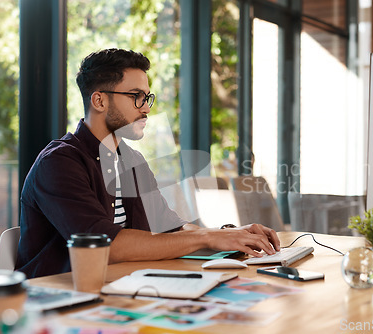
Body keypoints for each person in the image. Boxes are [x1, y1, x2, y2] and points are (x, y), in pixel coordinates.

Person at [15, 48, 280, 278]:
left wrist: (229, 236)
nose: (146, 108)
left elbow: (170, 227)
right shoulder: (59, 163)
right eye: (136, 96)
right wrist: (207, 237)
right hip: (59, 297)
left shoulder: (132, 159)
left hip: (122, 287)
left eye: (147, 97)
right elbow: (108, 246)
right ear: (99, 100)